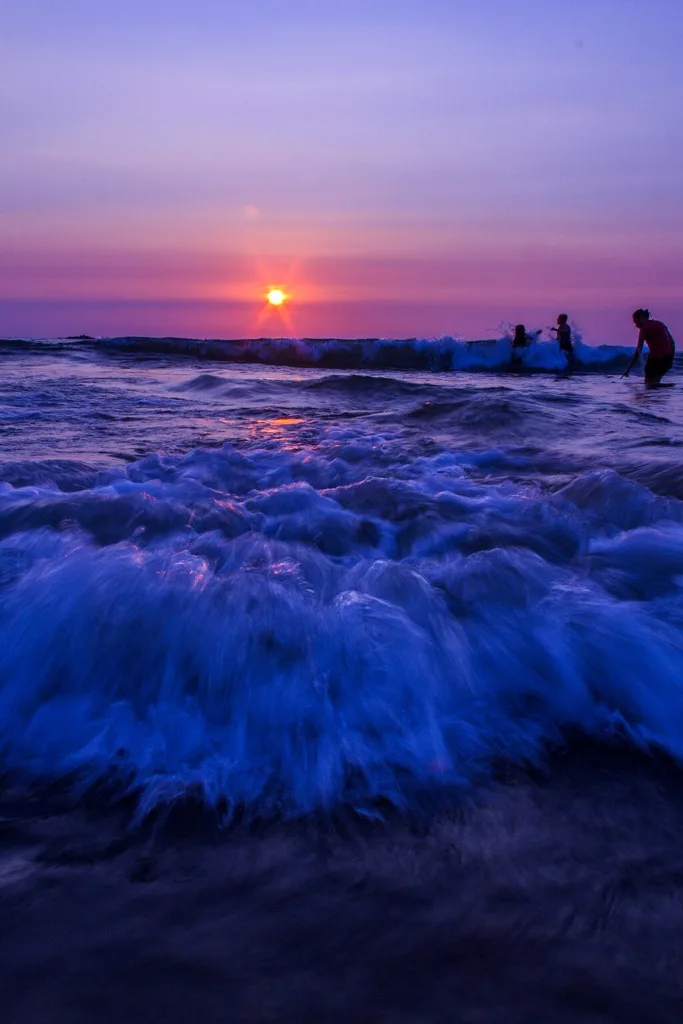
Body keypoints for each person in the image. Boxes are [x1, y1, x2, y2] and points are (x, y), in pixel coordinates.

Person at [623, 309, 676, 385]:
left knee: (649, 384)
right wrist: (671, 358)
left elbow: (638, 350)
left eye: (636, 321)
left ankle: (669, 386)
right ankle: (668, 388)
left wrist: (628, 369)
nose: (636, 325)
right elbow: (672, 342)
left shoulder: (644, 328)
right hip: (667, 359)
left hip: (655, 359)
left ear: (641, 317)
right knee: (655, 383)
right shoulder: (661, 324)